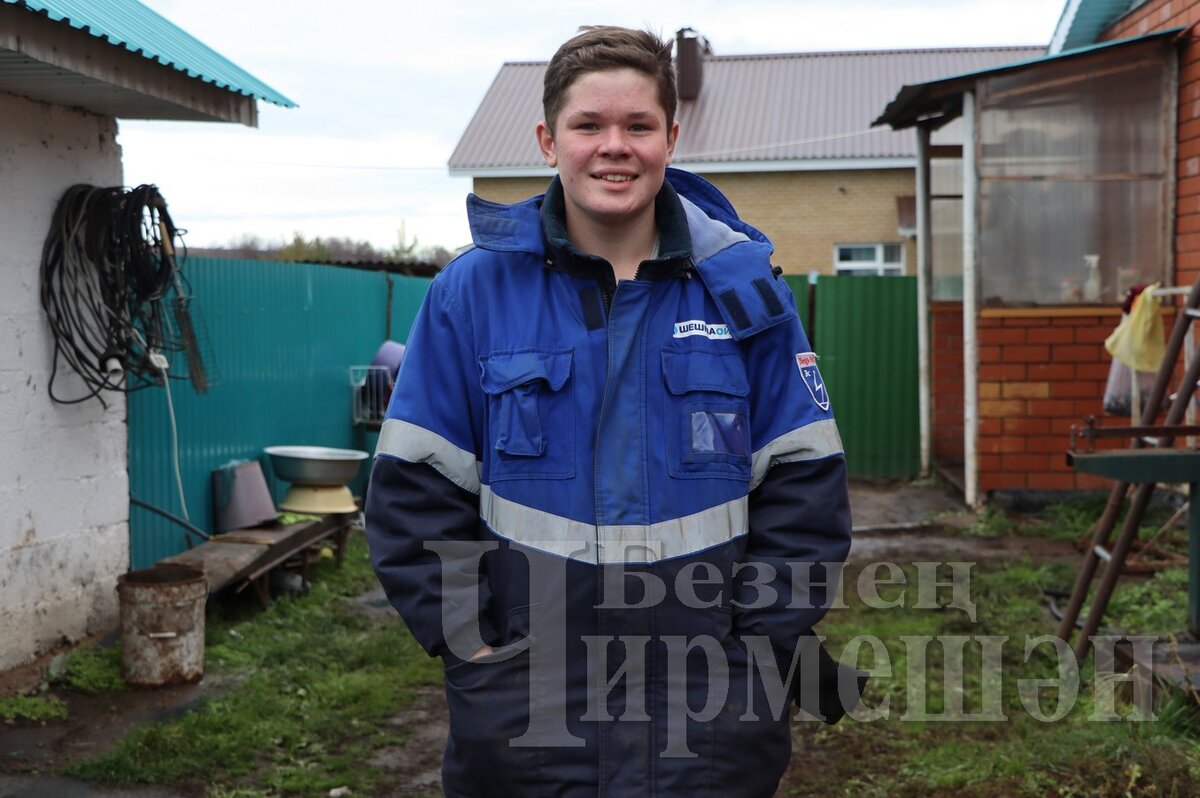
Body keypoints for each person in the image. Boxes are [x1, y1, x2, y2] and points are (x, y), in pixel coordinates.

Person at [366, 25, 853, 798]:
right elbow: (414, 491)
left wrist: (754, 653)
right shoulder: (472, 295)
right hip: (526, 721)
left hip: (709, 720)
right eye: (589, 125)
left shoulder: (746, 292)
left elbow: (805, 490)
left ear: (671, 137)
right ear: (547, 140)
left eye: (638, 126)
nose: (614, 147)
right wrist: (476, 649)